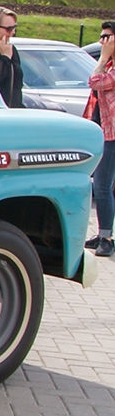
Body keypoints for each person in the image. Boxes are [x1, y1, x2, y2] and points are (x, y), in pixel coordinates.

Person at [87, 21, 115, 256]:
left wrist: (102, 58)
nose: (101, 42)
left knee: (102, 187)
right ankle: (103, 233)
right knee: (105, 186)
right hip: (106, 130)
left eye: (106, 37)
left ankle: (106, 238)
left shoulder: (110, 68)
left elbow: (95, 82)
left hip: (112, 135)